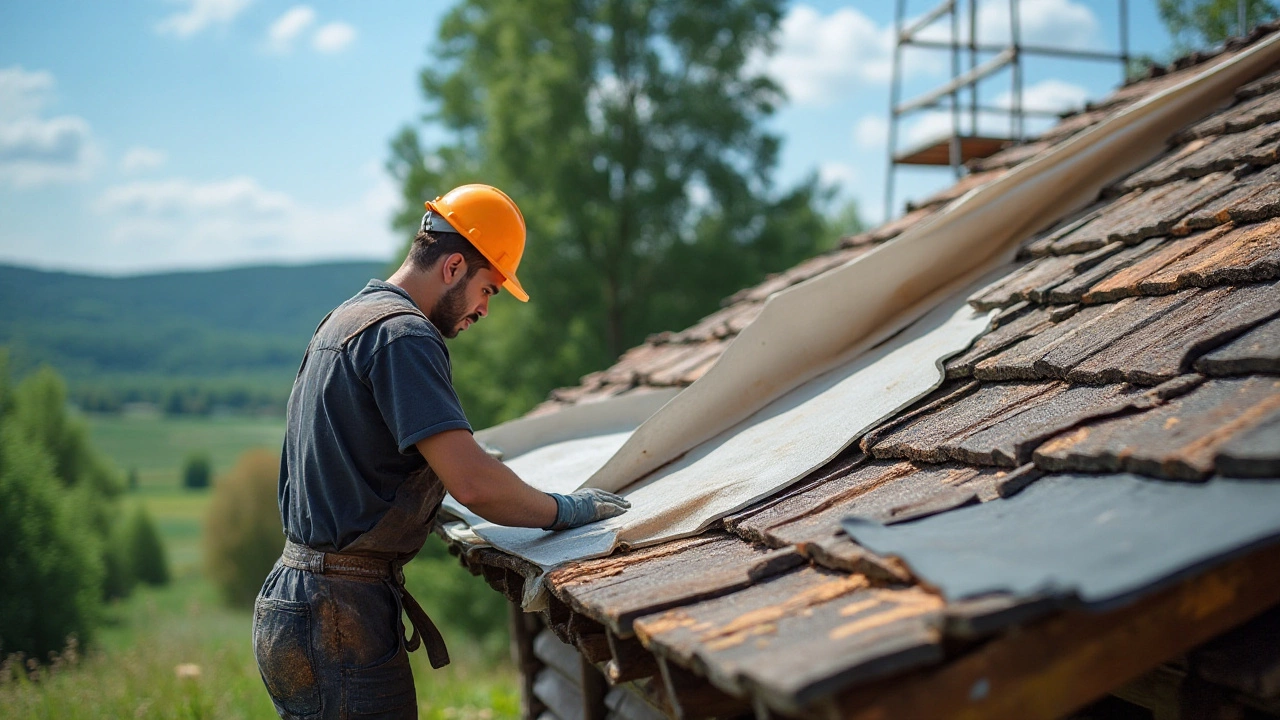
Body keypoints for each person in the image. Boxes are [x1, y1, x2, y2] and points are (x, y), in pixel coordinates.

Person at [252, 184, 630, 719]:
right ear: (453, 266)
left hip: (304, 601)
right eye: (489, 290)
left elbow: (364, 469)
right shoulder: (403, 335)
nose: (484, 309)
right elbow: (473, 482)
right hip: (336, 617)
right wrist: (563, 510)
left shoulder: (350, 319)